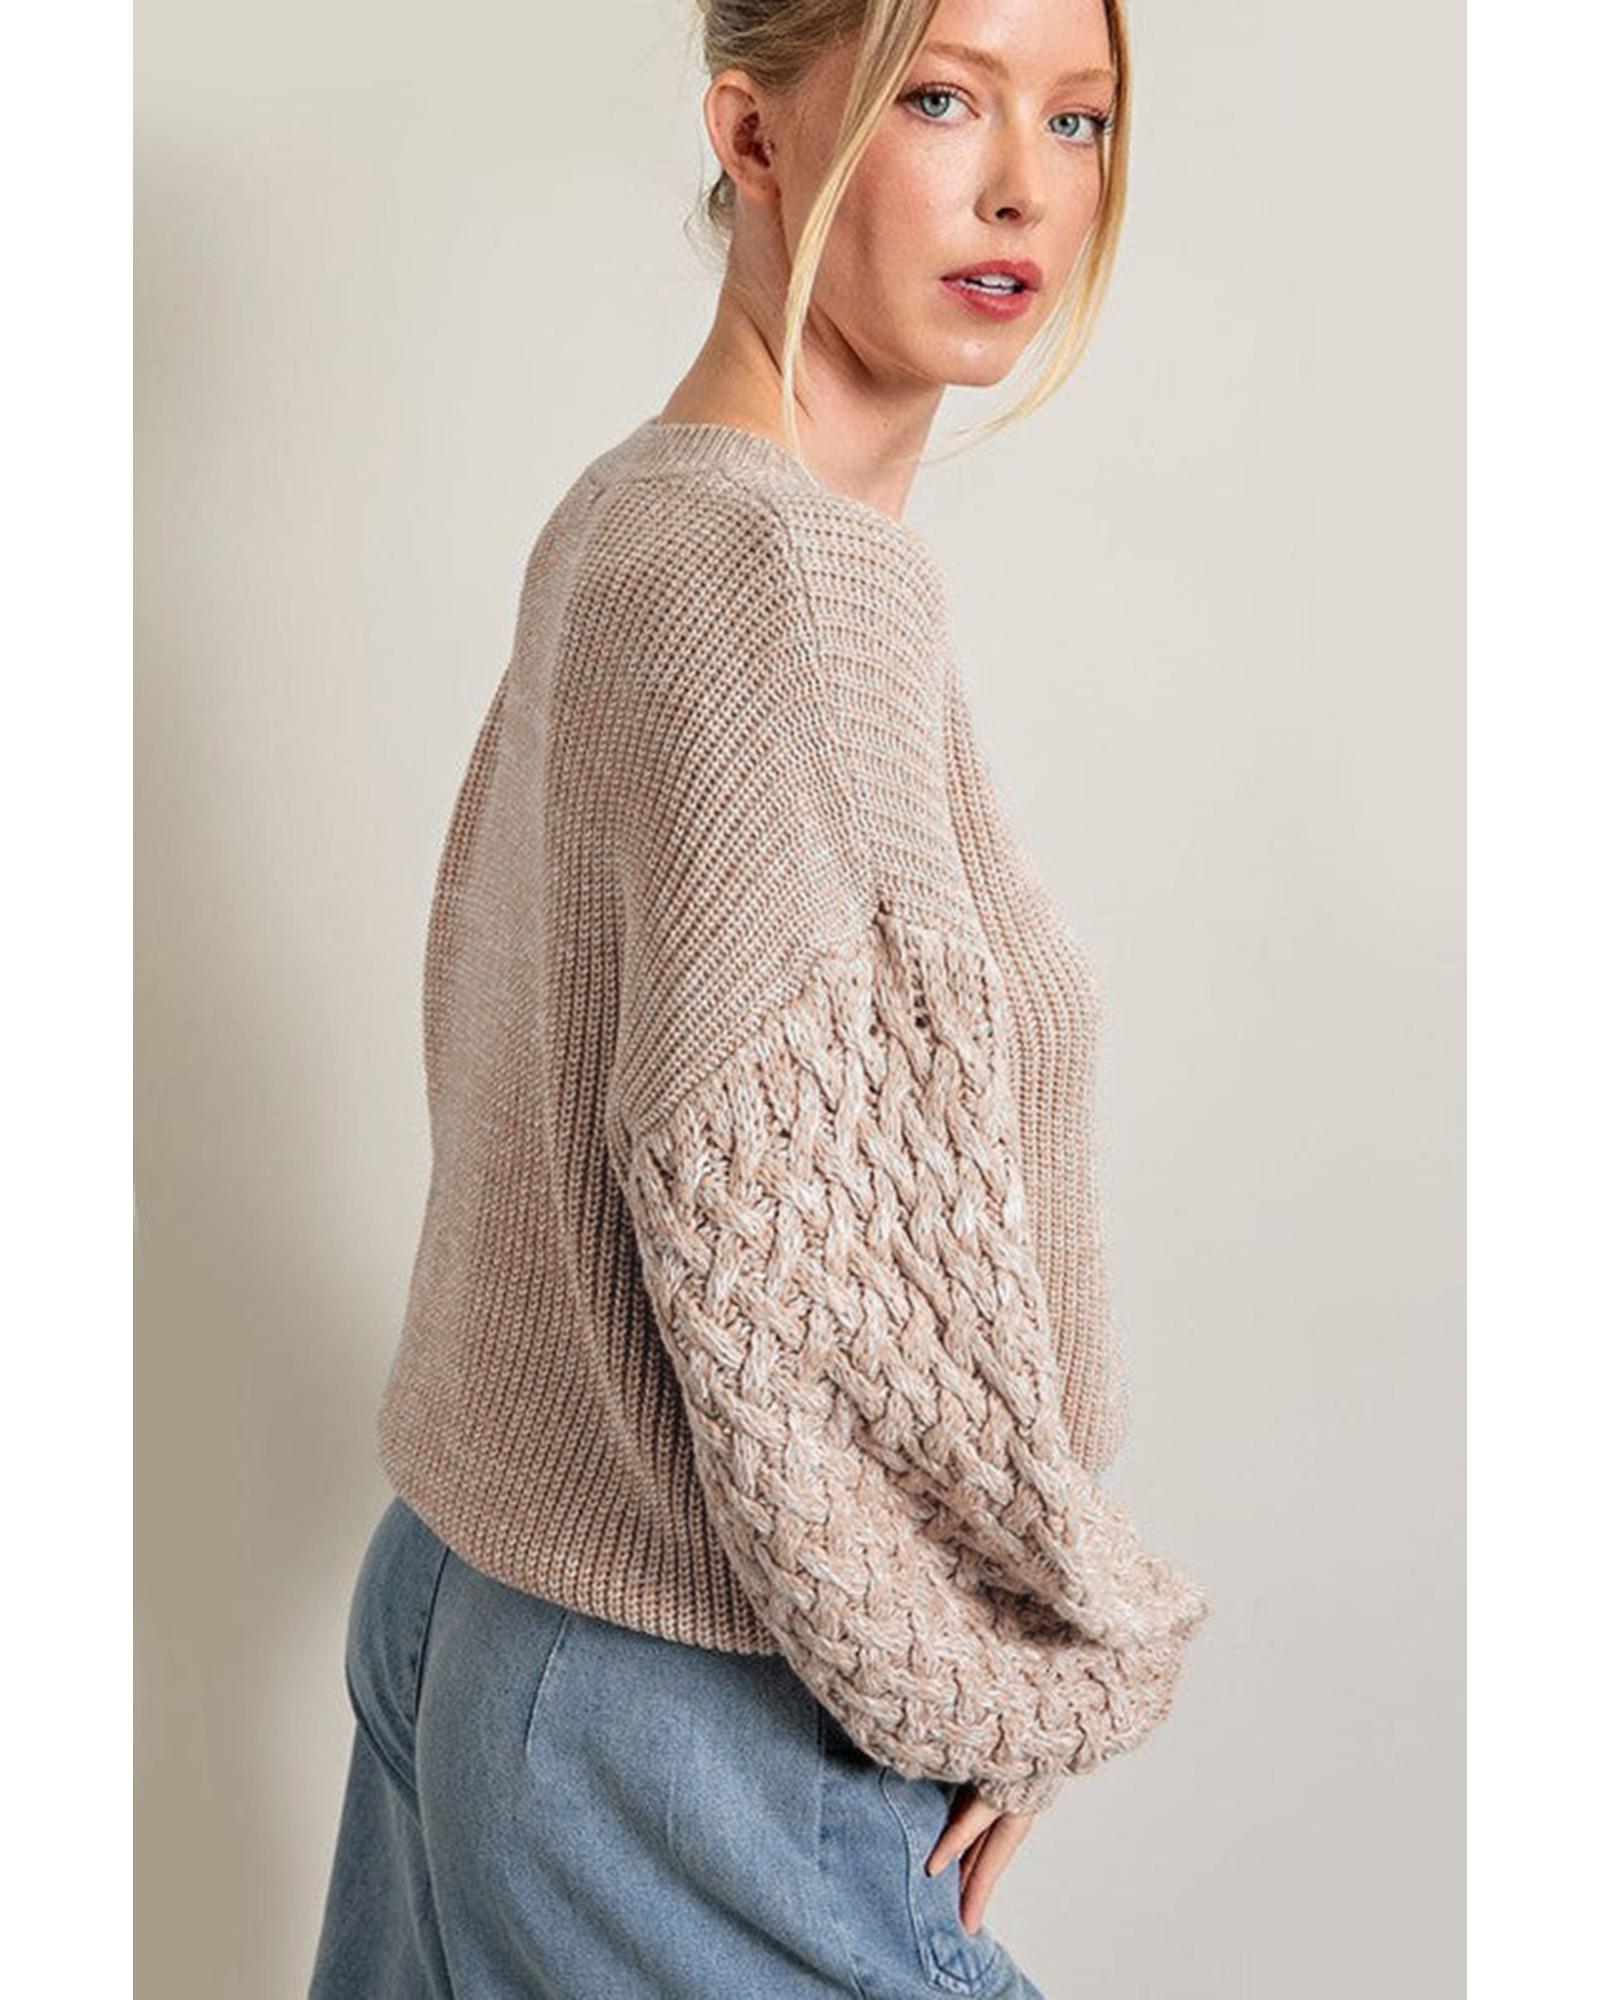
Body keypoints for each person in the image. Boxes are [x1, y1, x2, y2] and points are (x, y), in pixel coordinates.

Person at [307, 1, 1211, 1993]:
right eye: (940, 97)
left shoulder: (639, 514)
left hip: (498, 1606)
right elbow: (816, 1275)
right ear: (755, 131)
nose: (1021, 188)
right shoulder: (773, 583)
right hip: (692, 1708)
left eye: (1076, 120)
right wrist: (1010, 1663)